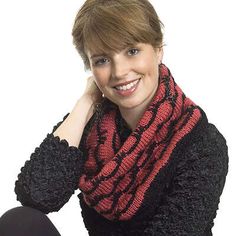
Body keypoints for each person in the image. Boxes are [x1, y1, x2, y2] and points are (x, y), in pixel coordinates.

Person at [0, 0, 228, 235]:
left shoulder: (203, 143)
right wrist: (86, 103)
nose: (119, 72)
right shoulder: (94, 128)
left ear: (158, 50)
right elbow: (37, 196)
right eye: (102, 60)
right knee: (19, 223)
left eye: (132, 51)